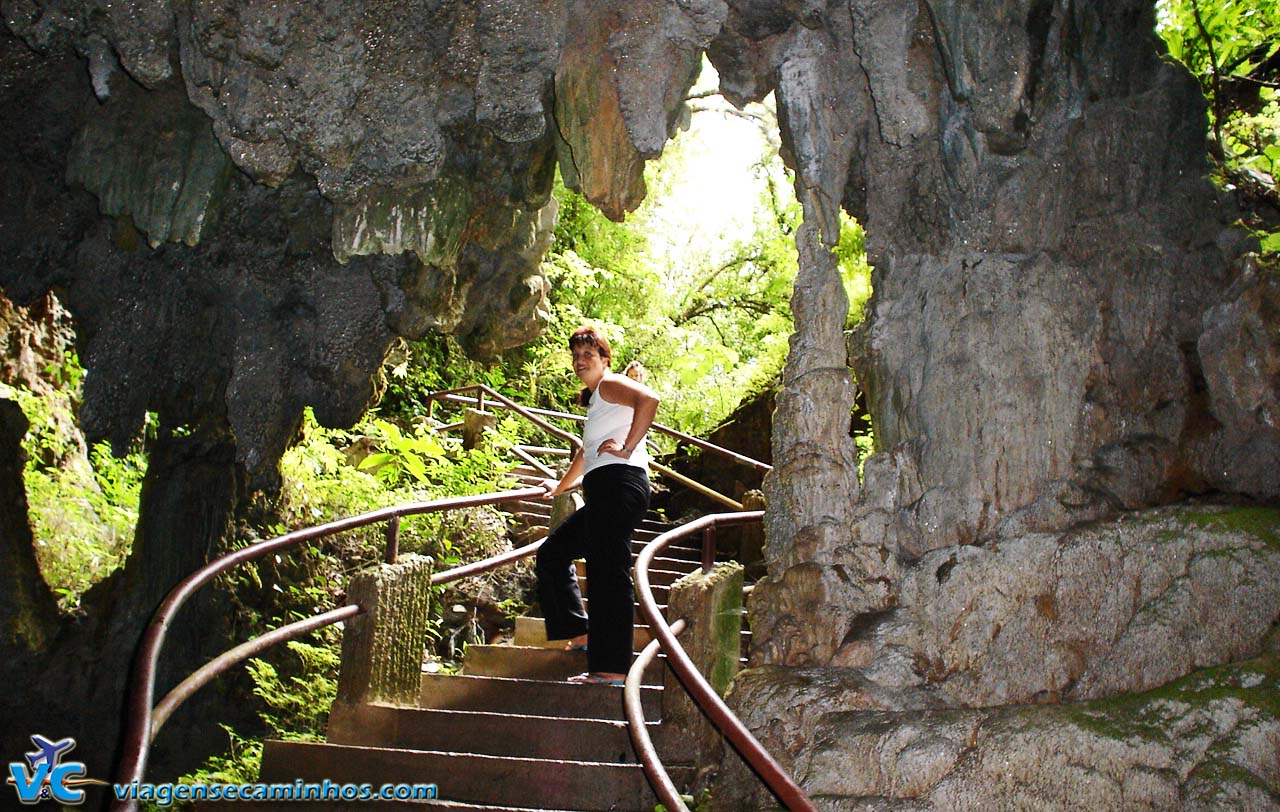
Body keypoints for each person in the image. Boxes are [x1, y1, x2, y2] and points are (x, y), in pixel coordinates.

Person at [536, 326, 659, 685]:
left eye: (588, 354)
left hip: (620, 483)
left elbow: (649, 400)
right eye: (575, 355)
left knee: (607, 573)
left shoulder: (609, 385)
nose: (580, 360)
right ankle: (580, 631)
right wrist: (561, 487)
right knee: (553, 553)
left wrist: (627, 448)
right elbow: (585, 454)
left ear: (605, 359)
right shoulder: (597, 403)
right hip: (605, 486)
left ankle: (612, 668)